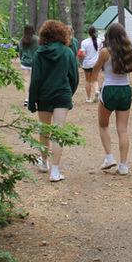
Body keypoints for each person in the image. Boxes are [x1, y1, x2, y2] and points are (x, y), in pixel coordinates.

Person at [28, 20, 80, 182]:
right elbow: (74, 77)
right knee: (58, 132)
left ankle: (44, 162)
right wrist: (68, 92)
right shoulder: (67, 52)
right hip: (62, 95)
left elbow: (35, 80)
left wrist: (32, 101)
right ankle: (55, 171)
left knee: (44, 130)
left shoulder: (39, 53)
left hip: (44, 95)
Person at [91, 23, 132, 175]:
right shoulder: (129, 51)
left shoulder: (105, 52)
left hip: (109, 89)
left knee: (103, 125)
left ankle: (109, 157)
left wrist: (95, 84)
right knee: (123, 129)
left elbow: (95, 69)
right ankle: (123, 165)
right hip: (125, 89)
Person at [17, 25, 40, 107]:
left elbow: (20, 51)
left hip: (25, 62)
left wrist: (21, 59)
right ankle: (35, 98)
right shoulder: (37, 39)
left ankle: (27, 99)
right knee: (35, 80)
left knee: (26, 80)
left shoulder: (22, 40)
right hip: (35, 62)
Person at [78, 26, 102, 103]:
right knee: (95, 80)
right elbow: (100, 51)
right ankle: (96, 91)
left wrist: (80, 54)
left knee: (88, 81)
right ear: (95, 32)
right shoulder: (99, 41)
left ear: (88, 32)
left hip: (87, 64)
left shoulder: (84, 42)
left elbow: (83, 54)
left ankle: (88, 98)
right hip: (96, 63)